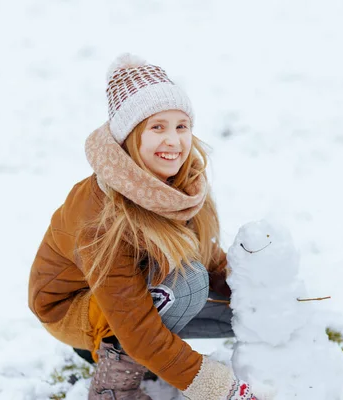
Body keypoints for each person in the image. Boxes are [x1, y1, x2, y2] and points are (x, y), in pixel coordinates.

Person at [28, 53, 258, 400]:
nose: (174, 141)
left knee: (239, 312)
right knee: (188, 281)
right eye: (157, 127)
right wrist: (217, 387)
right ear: (129, 137)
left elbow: (209, 260)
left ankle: (149, 356)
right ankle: (114, 387)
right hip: (76, 309)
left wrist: (265, 298)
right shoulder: (100, 211)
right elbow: (134, 320)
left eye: (182, 126)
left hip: (134, 297)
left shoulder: (182, 186)